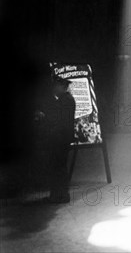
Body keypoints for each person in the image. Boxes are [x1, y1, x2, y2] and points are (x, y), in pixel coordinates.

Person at [35, 75, 76, 203]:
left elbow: (57, 119)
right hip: (63, 137)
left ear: (62, 86)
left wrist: (42, 117)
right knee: (60, 167)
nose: (53, 88)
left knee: (58, 167)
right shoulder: (66, 99)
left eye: (56, 85)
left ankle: (59, 196)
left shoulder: (65, 100)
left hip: (60, 138)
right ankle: (60, 195)